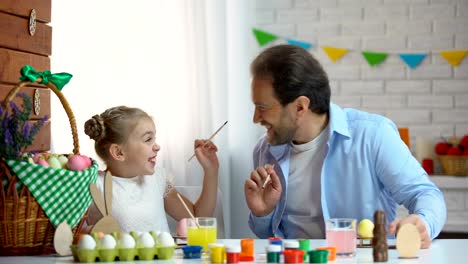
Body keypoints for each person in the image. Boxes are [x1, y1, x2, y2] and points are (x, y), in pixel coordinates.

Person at [244, 44, 446, 248]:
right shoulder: (265, 150)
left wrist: (423, 223)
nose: (255, 118)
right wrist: (263, 213)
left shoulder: (372, 135)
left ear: (300, 107)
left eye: (262, 107)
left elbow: (425, 194)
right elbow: (267, 235)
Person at [84, 106, 219, 233]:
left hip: (163, 258)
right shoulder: (93, 185)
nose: (157, 146)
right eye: (148, 139)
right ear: (119, 153)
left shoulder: (157, 179)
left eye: (154, 138)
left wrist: (211, 170)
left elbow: (196, 217)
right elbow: (73, 236)